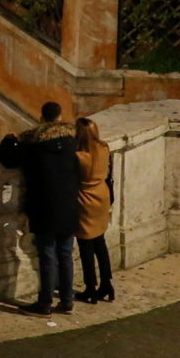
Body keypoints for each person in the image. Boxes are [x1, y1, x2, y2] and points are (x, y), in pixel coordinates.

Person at [0, 102, 82, 316]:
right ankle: (67, 300)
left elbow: (8, 160)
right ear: (60, 116)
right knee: (65, 253)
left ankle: (44, 303)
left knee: (47, 255)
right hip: (69, 204)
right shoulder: (73, 142)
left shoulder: (33, 144)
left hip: (44, 206)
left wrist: (8, 141)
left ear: (41, 118)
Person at [73, 115, 116, 305]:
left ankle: (90, 288)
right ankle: (107, 284)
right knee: (100, 242)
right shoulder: (104, 147)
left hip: (85, 199)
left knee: (85, 246)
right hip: (102, 196)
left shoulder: (79, 156)